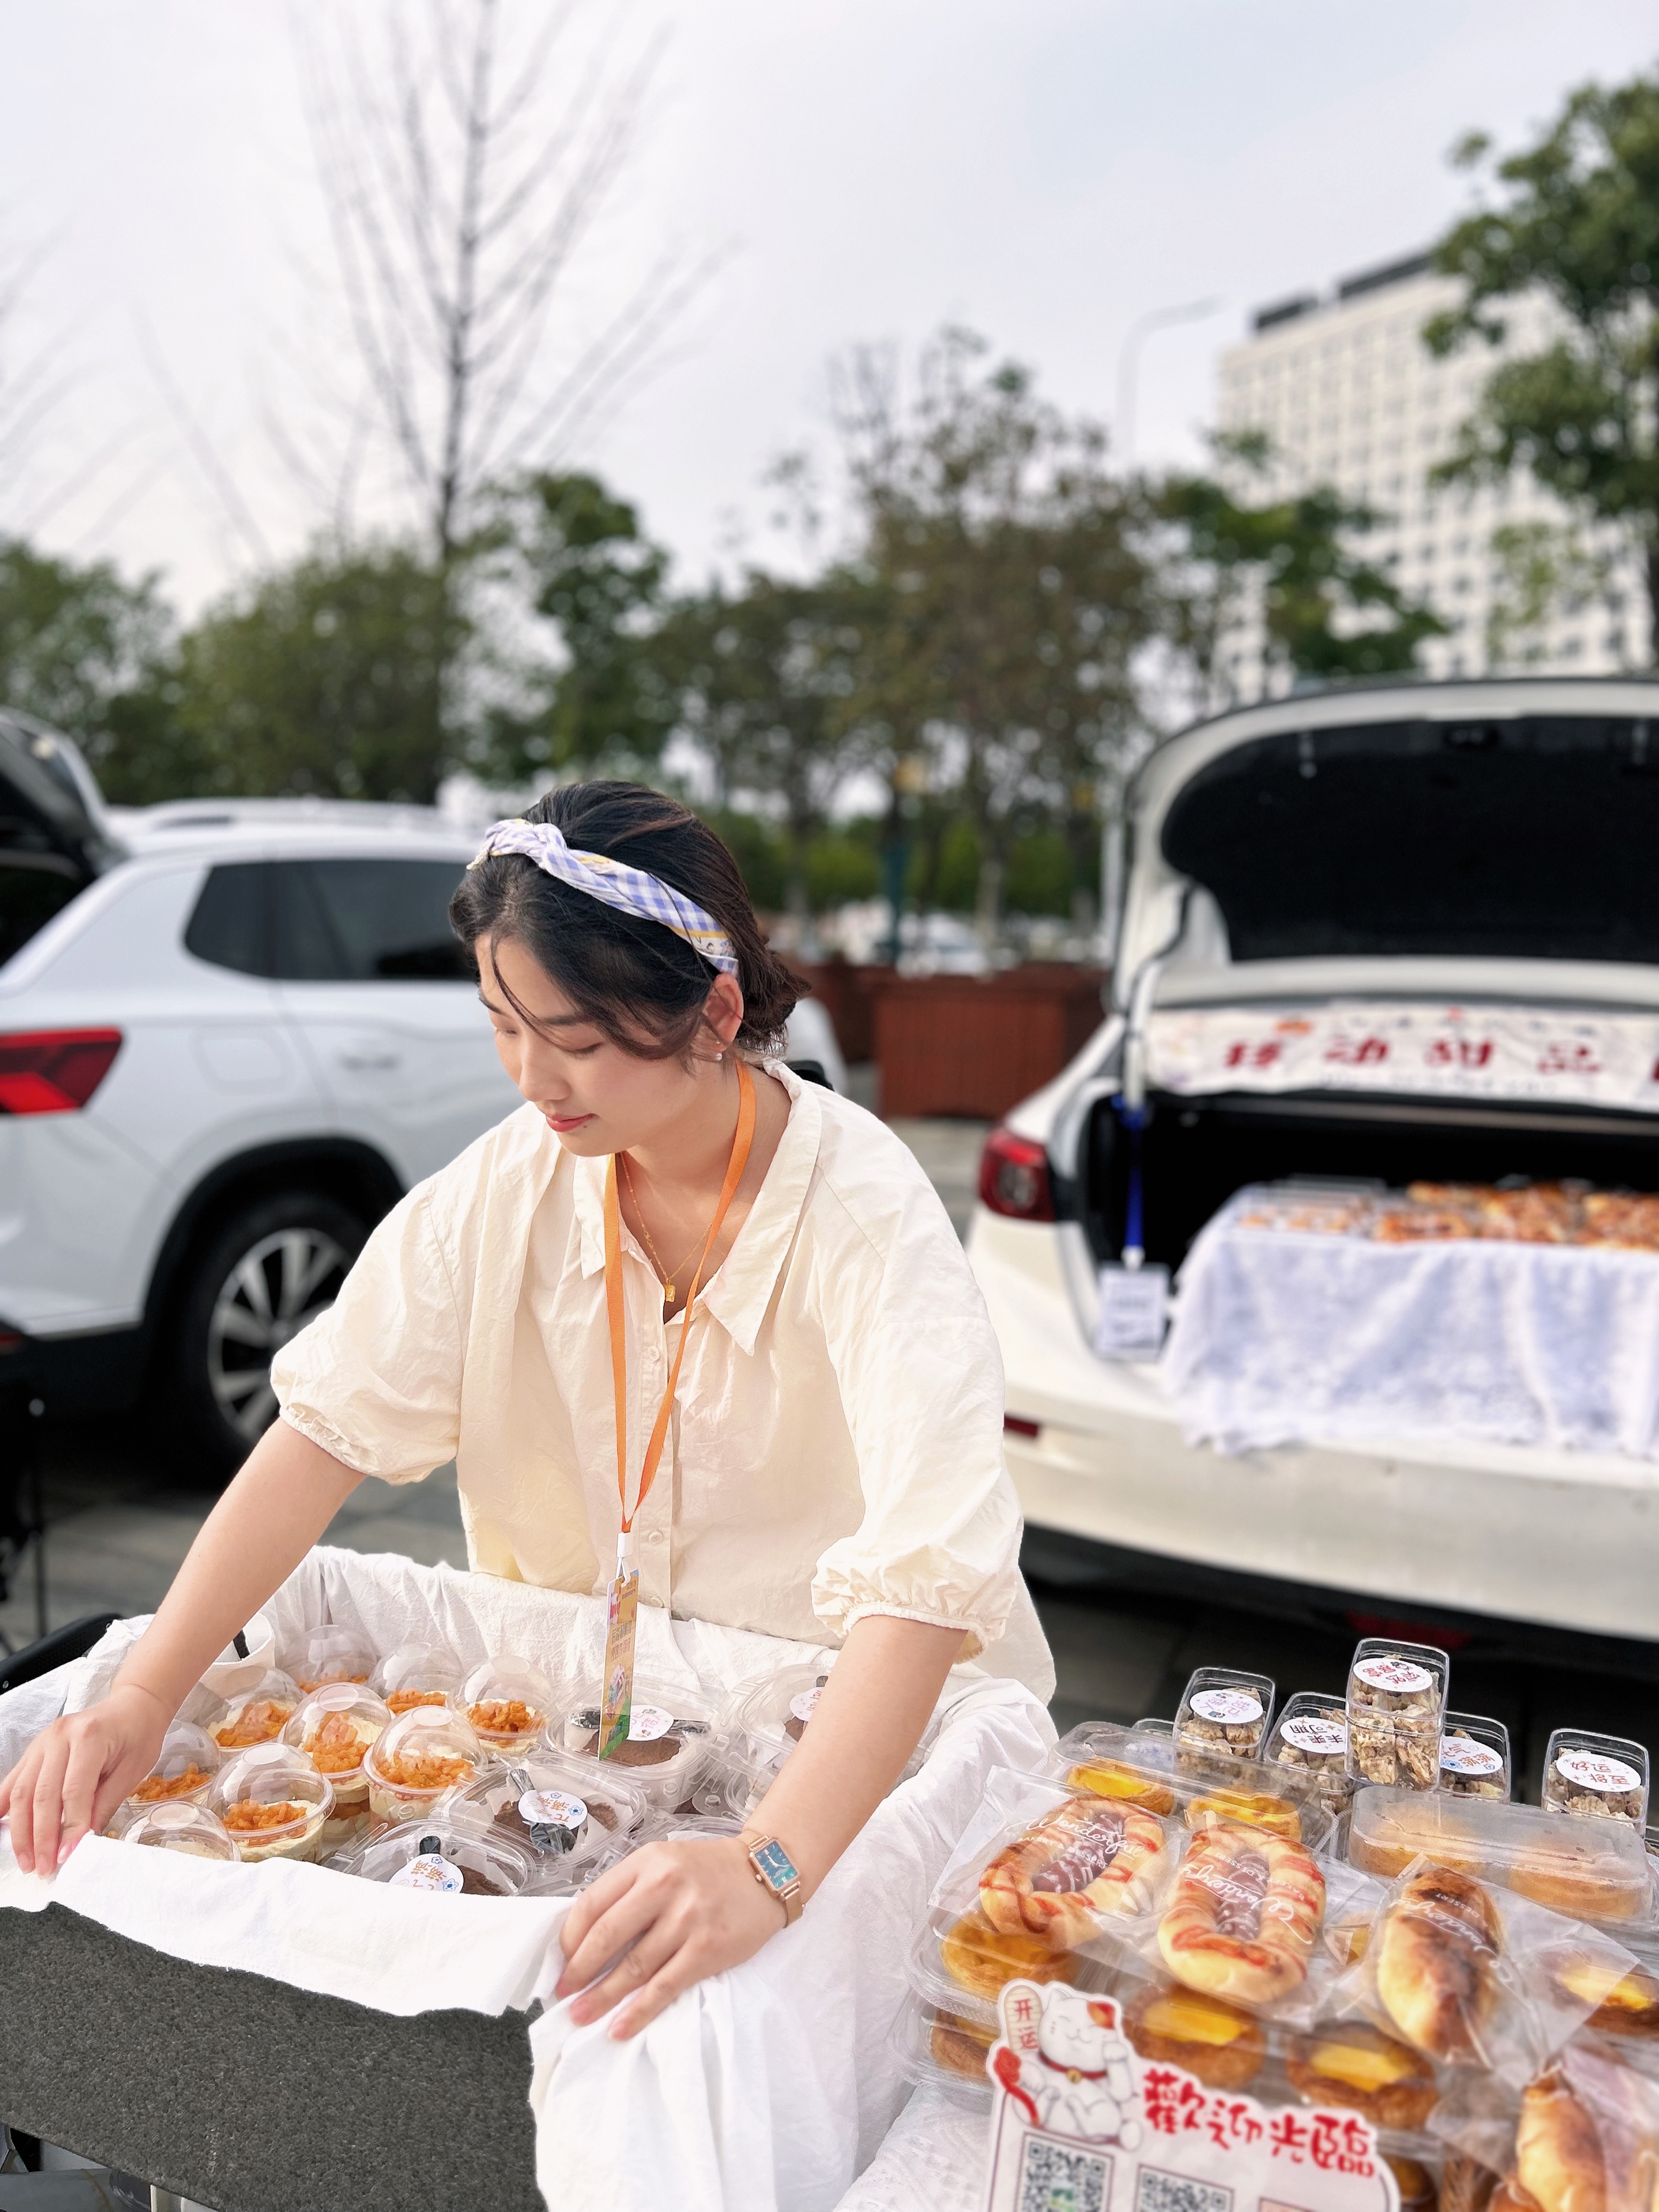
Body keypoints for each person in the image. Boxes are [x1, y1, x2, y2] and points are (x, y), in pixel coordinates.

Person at [1, 783, 1053, 2037]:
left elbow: (922, 1590)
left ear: (715, 1011)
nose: (532, 1077)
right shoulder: (516, 1179)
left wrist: (769, 1865)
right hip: (586, 1750)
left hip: (843, 1769)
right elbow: (323, 1432)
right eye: (502, 1023)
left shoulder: (866, 1215)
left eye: (575, 1036)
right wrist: (144, 1692)